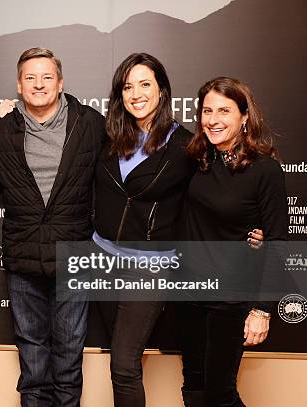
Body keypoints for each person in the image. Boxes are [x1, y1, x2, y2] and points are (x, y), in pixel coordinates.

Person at [0, 47, 104, 407]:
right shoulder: (1, 131)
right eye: (30, 77)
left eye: (47, 76)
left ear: (60, 82)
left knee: (69, 357)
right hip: (23, 259)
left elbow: (120, 179)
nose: (39, 84)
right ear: (19, 85)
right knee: (33, 363)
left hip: (73, 257)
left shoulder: (91, 124)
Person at [92, 52, 194, 407]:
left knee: (123, 365)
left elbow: (218, 194)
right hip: (102, 261)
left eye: (145, 84)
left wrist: (252, 228)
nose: (136, 94)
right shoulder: (109, 137)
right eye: (127, 87)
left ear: (162, 90)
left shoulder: (186, 146)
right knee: (119, 359)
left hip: (148, 268)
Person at [178, 77, 287, 407]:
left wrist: (263, 310)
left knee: (219, 393)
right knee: (193, 386)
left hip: (230, 297)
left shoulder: (263, 170)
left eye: (224, 111)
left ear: (244, 116)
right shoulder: (195, 160)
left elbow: (278, 241)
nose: (213, 119)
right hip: (188, 291)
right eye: (207, 111)